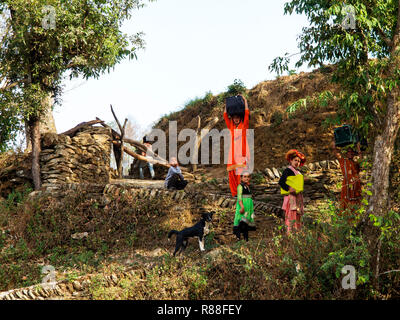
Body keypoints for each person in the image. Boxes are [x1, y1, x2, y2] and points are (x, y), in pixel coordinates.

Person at [223, 94, 250, 197]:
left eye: (237, 117)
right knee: (232, 174)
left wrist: (245, 100)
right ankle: (235, 193)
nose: (236, 119)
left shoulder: (244, 125)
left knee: (241, 172)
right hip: (232, 153)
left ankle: (243, 192)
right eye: (234, 118)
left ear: (240, 118)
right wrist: (227, 103)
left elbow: (247, 113)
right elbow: (225, 115)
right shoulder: (231, 127)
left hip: (242, 151)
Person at [278, 149, 306, 234]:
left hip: (298, 197)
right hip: (291, 197)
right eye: (295, 160)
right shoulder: (288, 170)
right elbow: (281, 182)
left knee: (298, 215)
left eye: (299, 161)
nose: (297, 162)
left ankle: (297, 233)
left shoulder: (298, 172)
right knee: (291, 215)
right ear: (290, 160)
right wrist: (289, 189)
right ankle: (290, 234)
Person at [331, 141, 362, 211]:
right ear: (346, 153)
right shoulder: (344, 161)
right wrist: (334, 147)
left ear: (354, 153)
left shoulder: (356, 163)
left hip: (356, 184)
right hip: (347, 184)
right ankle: (346, 218)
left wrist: (358, 148)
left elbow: (361, 160)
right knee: (346, 201)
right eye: (349, 152)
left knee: (356, 201)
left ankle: (355, 218)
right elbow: (337, 154)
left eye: (352, 152)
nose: (350, 153)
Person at [233, 171, 256, 241]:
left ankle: (246, 238)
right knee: (240, 220)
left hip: (248, 207)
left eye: (248, 177)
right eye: (245, 177)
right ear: (241, 178)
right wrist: (242, 206)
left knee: (245, 221)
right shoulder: (240, 187)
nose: (247, 178)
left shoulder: (247, 186)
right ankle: (238, 237)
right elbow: (239, 197)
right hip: (243, 206)